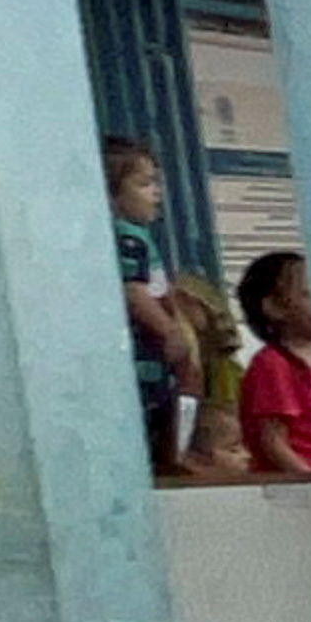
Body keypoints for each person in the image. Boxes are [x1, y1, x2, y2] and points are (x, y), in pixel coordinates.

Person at [106, 139, 194, 474]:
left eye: (155, 182)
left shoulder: (140, 236)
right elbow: (133, 290)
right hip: (146, 353)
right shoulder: (127, 237)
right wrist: (169, 329)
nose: (155, 192)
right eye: (143, 184)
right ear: (112, 194)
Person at [233, 252, 311, 477]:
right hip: (304, 486)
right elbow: (274, 442)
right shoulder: (275, 364)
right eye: (309, 294)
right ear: (274, 308)